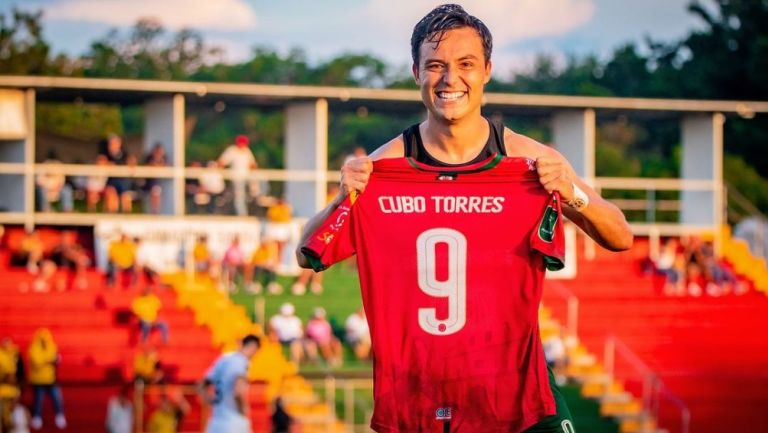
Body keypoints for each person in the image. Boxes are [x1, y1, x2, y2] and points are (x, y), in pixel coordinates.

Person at [296, 5, 632, 433]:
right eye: (435, 65)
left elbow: (620, 235)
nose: (450, 79)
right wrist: (341, 199)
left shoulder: (527, 161)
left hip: (516, 393)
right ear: (416, 72)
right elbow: (309, 254)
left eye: (465, 64)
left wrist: (574, 193)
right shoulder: (384, 169)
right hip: (421, 396)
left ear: (487, 70)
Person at [198, 334, 261, 433]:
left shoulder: (224, 359)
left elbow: (202, 384)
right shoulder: (241, 361)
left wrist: (210, 401)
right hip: (233, 422)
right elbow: (238, 389)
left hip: (216, 421)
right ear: (253, 346)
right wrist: (243, 409)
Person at [27, 328, 66, 430]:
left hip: (51, 379)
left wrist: (53, 360)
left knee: (57, 399)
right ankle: (37, 417)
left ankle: (59, 416)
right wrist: (49, 360)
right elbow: (37, 362)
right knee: (38, 400)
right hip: (38, 380)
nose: (44, 341)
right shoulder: (34, 348)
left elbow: (56, 359)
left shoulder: (52, 346)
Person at [218, 135, 257, 216]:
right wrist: (221, 176)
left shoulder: (247, 151)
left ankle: (251, 210)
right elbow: (221, 162)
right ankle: (242, 214)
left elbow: (253, 164)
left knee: (252, 193)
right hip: (237, 178)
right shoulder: (232, 150)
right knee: (239, 197)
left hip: (247, 178)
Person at [143, 143, 168, 214]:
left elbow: (165, 166)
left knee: (156, 190)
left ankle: (155, 212)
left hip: (158, 184)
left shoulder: (164, 159)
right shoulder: (148, 158)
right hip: (147, 183)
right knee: (155, 190)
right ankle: (155, 212)